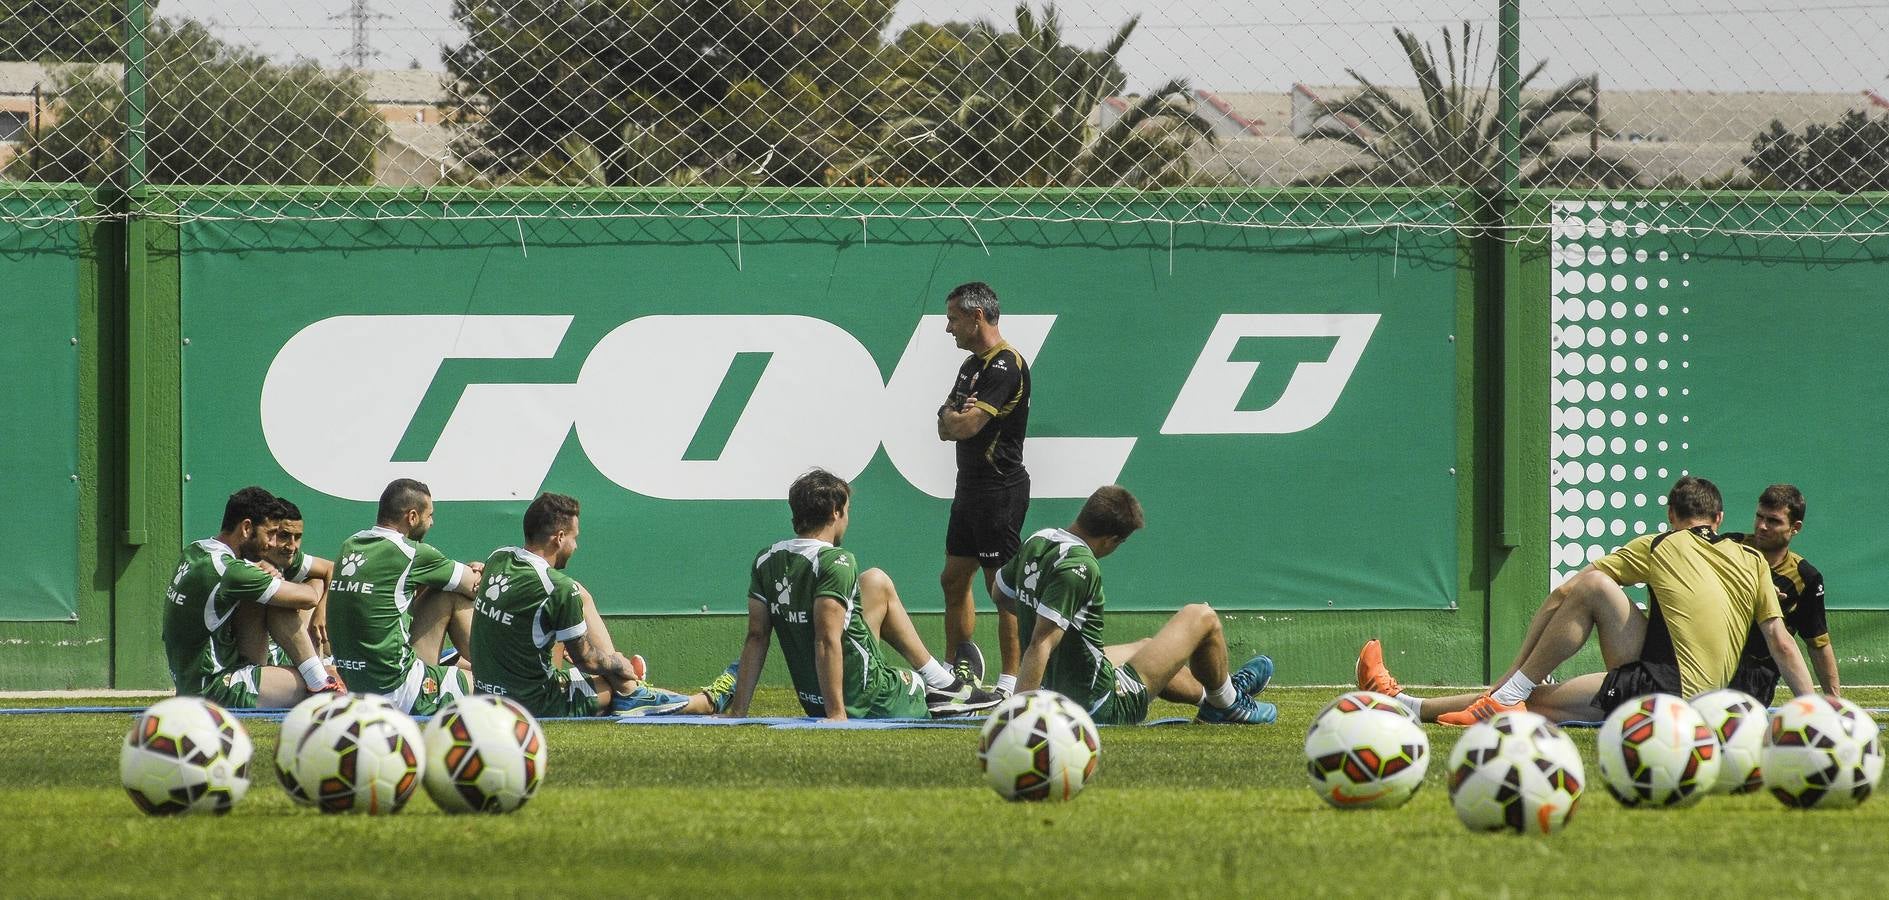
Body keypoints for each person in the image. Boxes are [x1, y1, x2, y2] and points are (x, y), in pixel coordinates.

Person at [1358, 476, 1816, 725]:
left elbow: (1566, 592)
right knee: (1527, 693)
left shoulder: (1661, 543)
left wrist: (1511, 677)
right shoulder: (1750, 558)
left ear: (1671, 517)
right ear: (1719, 517)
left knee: (1536, 690)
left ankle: (1422, 703)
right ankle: (1421, 702)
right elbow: (1783, 643)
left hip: (1667, 695)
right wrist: (1818, 707)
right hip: (1709, 691)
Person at [722, 469, 1004, 721]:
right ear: (835, 511)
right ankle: (948, 688)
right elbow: (826, 638)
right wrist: (837, 714)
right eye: (847, 510)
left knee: (874, 582)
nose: (847, 518)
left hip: (814, 699)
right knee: (918, 683)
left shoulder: (767, 559)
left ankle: (946, 683)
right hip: (869, 699)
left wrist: (739, 711)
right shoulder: (836, 561)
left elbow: (756, 637)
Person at [999, 485, 1276, 726]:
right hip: (1098, 707)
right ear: (1111, 540)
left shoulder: (1040, 539)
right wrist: (1019, 718)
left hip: (1061, 685)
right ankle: (1229, 702)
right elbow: (1041, 643)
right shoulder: (1081, 566)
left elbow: (1000, 593)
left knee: (1145, 647)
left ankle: (1215, 698)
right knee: (1201, 615)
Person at [470, 492, 736, 717]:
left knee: (577, 597)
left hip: (486, 692)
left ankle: (632, 692)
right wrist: (617, 663)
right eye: (574, 538)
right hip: (532, 704)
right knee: (609, 687)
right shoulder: (556, 588)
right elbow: (587, 661)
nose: (576, 546)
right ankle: (698, 702)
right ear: (559, 538)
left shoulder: (499, 557)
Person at [935, 281, 1031, 693]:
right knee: (954, 579)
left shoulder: (1007, 365)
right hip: (968, 489)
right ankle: (957, 671)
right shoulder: (970, 367)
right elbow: (944, 422)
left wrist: (958, 418)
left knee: (1001, 588)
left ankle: (1011, 681)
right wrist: (953, 417)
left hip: (999, 490)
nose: (948, 328)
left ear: (977, 317)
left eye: (953, 318)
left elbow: (966, 424)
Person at [163, 486, 338, 708]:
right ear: (246, 528)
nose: (273, 544)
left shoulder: (197, 550)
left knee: (266, 597)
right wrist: (315, 589)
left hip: (193, 680)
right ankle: (320, 683)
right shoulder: (230, 571)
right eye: (271, 533)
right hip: (213, 688)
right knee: (330, 690)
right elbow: (309, 598)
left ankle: (317, 678)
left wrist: (259, 568)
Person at [325, 478, 482, 715]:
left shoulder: (351, 544)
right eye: (429, 516)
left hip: (354, 684)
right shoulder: (410, 553)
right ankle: (496, 674)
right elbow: (474, 586)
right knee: (486, 686)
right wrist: (480, 570)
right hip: (397, 691)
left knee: (440, 590)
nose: (432, 523)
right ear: (412, 517)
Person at [1723, 484, 1838, 703]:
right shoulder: (1729, 547)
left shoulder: (1805, 577)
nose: (1762, 526)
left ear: (1795, 527)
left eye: (1773, 521)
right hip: (1711, 658)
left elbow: (1818, 643)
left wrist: (1835, 703)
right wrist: (1754, 590)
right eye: (1759, 517)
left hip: (1755, 674)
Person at [245, 497, 336, 677]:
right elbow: (309, 599)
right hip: (256, 664)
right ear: (269, 533)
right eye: (284, 536)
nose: (292, 546)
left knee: (317, 581)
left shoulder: (287, 559)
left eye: (298, 537)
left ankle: (321, 665)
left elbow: (332, 569)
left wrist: (322, 613)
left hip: (288, 649)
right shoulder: (246, 565)